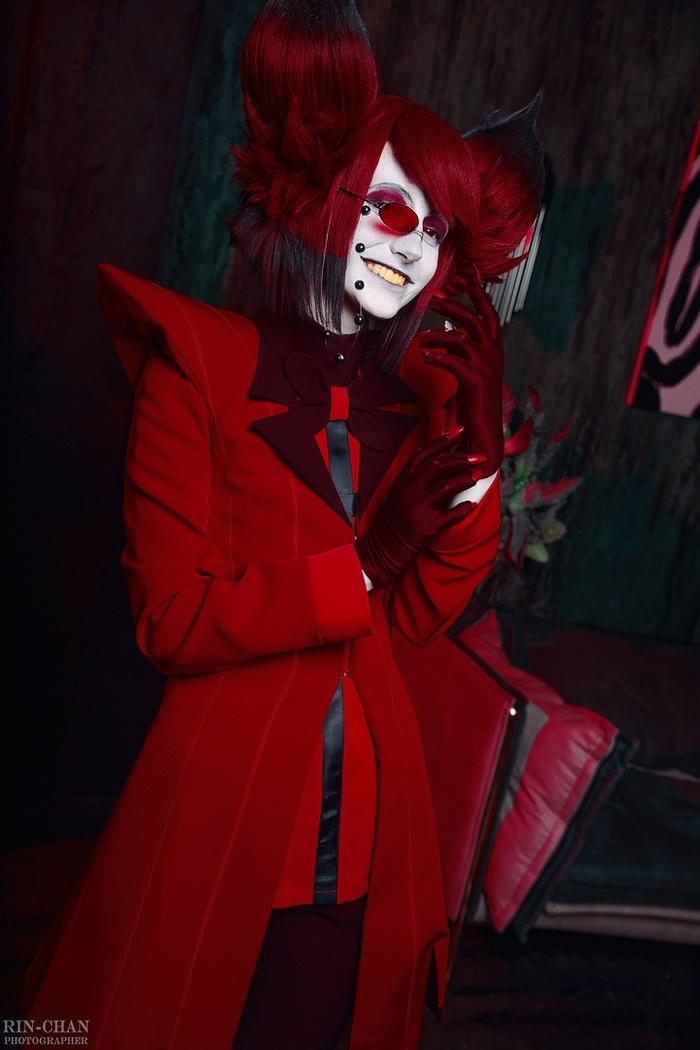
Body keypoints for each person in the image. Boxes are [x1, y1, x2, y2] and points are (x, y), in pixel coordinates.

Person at [23, 2, 544, 1047]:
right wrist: (364, 560)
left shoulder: (412, 407)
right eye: (390, 210)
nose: (411, 248)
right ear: (320, 194)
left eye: (434, 231)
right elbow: (172, 620)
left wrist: (479, 449)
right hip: (221, 804)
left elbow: (417, 620)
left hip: (366, 836)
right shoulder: (197, 370)